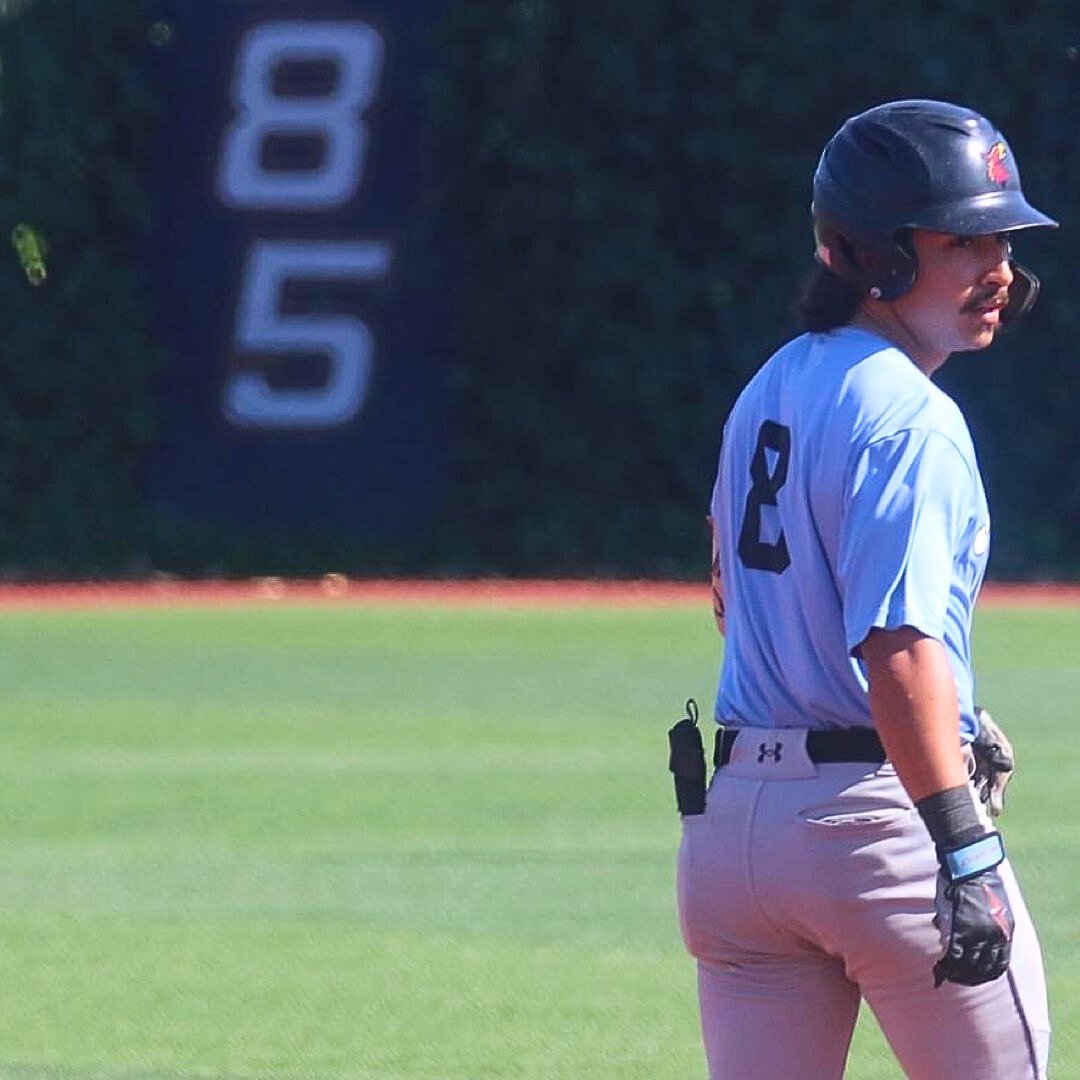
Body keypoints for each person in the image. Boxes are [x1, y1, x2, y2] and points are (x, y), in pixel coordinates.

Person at [675, 100, 1056, 1079]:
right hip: (878, 831)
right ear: (878, 252)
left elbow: (729, 595)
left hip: (734, 839)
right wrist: (963, 845)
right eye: (966, 239)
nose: (999, 268)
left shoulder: (770, 385)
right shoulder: (912, 420)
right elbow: (899, 650)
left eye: (1003, 238)